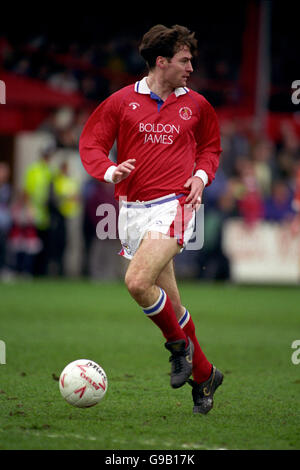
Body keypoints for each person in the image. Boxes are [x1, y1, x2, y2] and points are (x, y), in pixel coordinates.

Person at [79, 24, 223, 414]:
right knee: (172, 306)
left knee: (137, 281)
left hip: (176, 206)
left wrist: (200, 176)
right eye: (184, 60)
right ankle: (205, 374)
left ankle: (178, 350)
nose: (191, 67)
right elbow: (91, 143)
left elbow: (211, 148)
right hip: (132, 212)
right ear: (161, 62)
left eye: (191, 60)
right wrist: (109, 171)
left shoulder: (198, 105)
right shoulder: (121, 102)